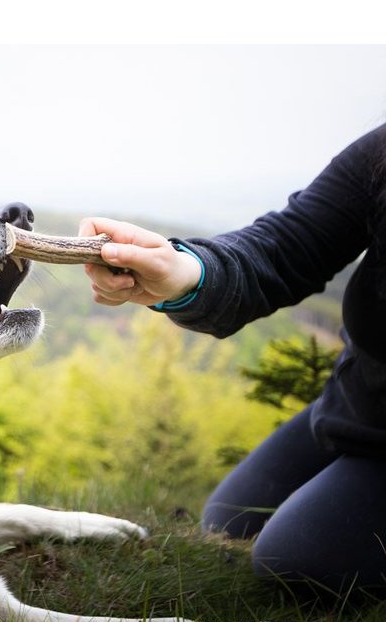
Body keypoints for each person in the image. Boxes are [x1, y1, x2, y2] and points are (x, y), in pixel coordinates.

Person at [79, 123, 386, 597]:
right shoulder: (380, 152)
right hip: (358, 401)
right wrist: (185, 271)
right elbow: (288, 244)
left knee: (297, 562)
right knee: (229, 520)